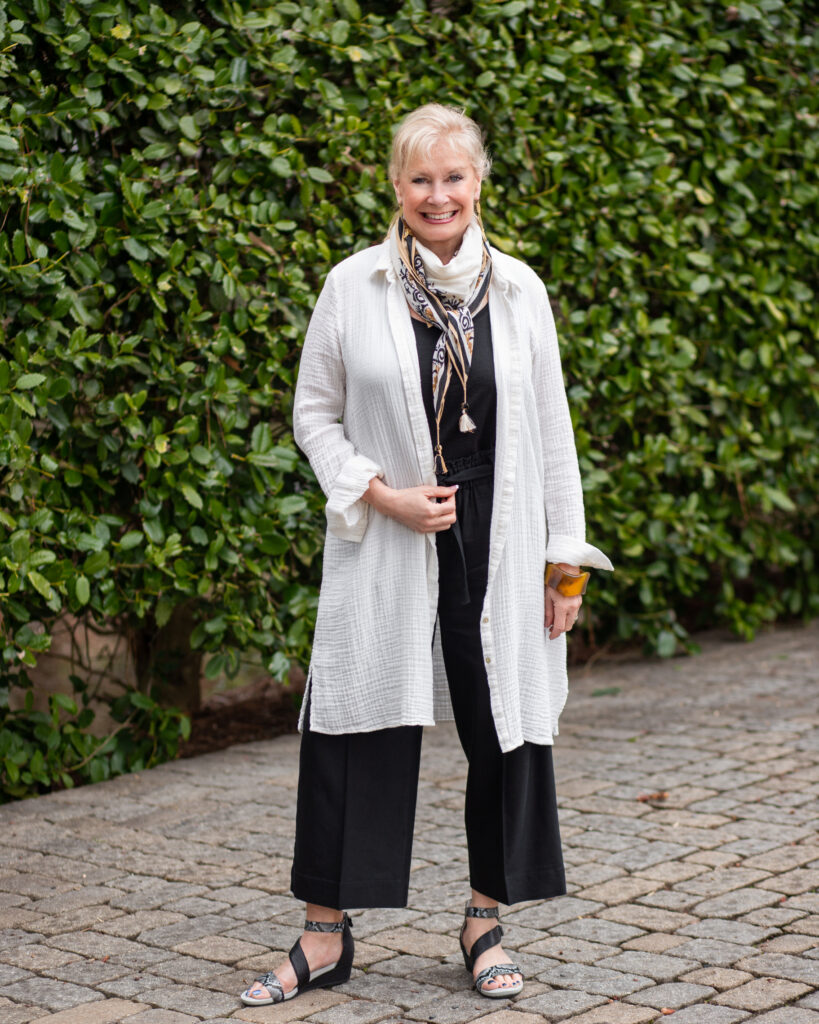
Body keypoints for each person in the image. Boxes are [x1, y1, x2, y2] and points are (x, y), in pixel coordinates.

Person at [239, 103, 612, 1007]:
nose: (436, 195)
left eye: (452, 177)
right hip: (391, 530)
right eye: (419, 178)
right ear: (396, 187)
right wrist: (378, 493)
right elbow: (312, 414)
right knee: (355, 718)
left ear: (477, 182)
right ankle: (323, 936)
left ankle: (484, 922)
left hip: (502, 531)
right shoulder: (353, 286)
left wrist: (565, 564)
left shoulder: (518, 290)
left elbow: (553, 434)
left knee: (503, 725)